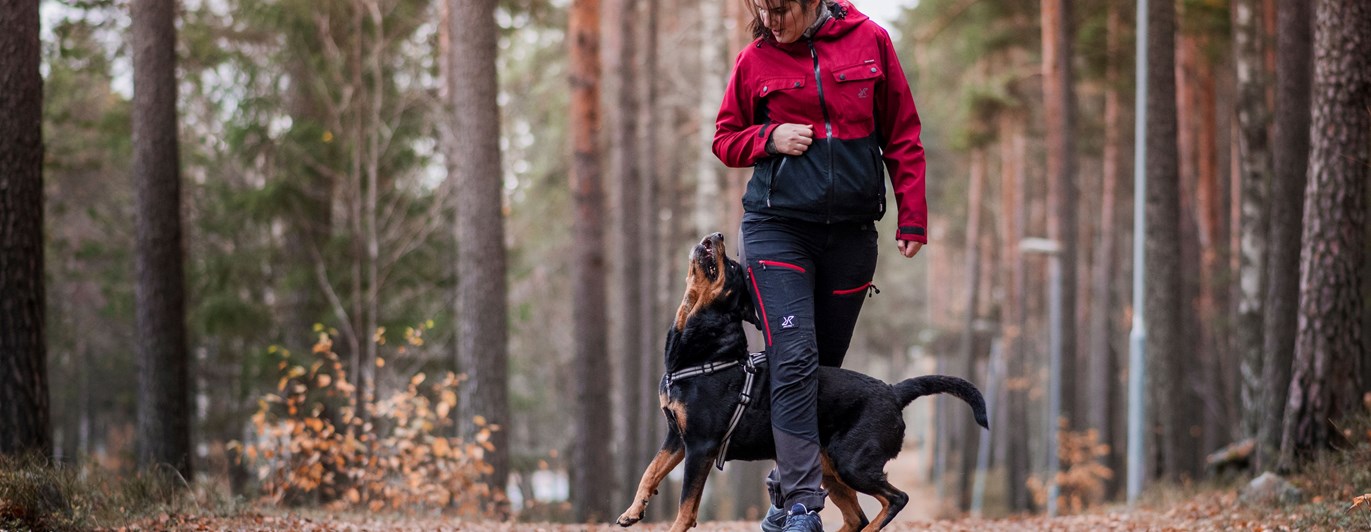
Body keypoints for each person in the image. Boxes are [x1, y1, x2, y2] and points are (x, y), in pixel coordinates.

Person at [712, 0, 927, 530]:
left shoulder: (870, 40)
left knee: (820, 373)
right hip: (776, 228)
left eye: (781, 8)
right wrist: (768, 138)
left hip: (851, 236)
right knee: (794, 357)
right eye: (760, 8)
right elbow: (724, 139)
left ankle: (783, 495)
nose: (770, 19)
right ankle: (805, 507)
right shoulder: (754, 60)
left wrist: (912, 216)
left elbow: (902, 132)